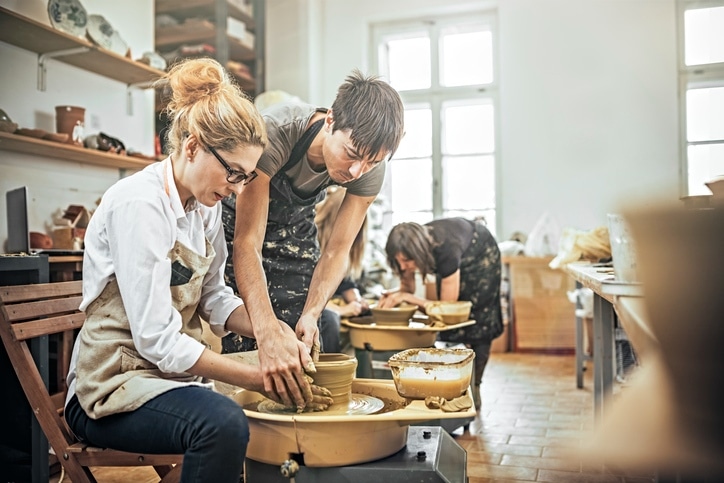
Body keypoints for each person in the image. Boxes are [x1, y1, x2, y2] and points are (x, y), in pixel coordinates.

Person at [63, 58, 332, 483]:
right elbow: (156, 340)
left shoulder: (202, 208)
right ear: (192, 147)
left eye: (247, 178)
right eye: (234, 174)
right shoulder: (141, 204)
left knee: (295, 376)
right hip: (110, 387)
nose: (238, 189)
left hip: (165, 377)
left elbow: (215, 298)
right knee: (222, 423)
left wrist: (276, 331)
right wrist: (257, 376)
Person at [220, 70, 404, 403]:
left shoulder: (368, 167)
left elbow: (336, 252)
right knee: (250, 335)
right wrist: (265, 328)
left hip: (295, 225)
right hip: (238, 225)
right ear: (330, 120)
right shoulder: (274, 132)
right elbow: (248, 244)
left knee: (302, 329)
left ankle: (299, 434)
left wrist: (312, 312)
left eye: (372, 161)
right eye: (351, 153)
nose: (356, 172)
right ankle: (248, 431)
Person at [378, 218, 504, 410]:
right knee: (445, 330)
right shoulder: (407, 248)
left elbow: (447, 308)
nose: (402, 266)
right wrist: (394, 295)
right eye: (398, 261)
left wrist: (406, 298)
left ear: (418, 253)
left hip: (480, 254)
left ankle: (474, 386)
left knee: (478, 322)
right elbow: (407, 288)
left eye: (407, 261)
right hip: (456, 254)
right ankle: (448, 384)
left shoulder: (446, 249)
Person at [315, 186, 370, 352]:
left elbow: (346, 282)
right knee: (330, 320)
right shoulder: (311, 244)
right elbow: (301, 294)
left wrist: (356, 299)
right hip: (306, 304)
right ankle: (329, 372)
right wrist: (341, 310)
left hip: (327, 302)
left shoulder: (348, 249)